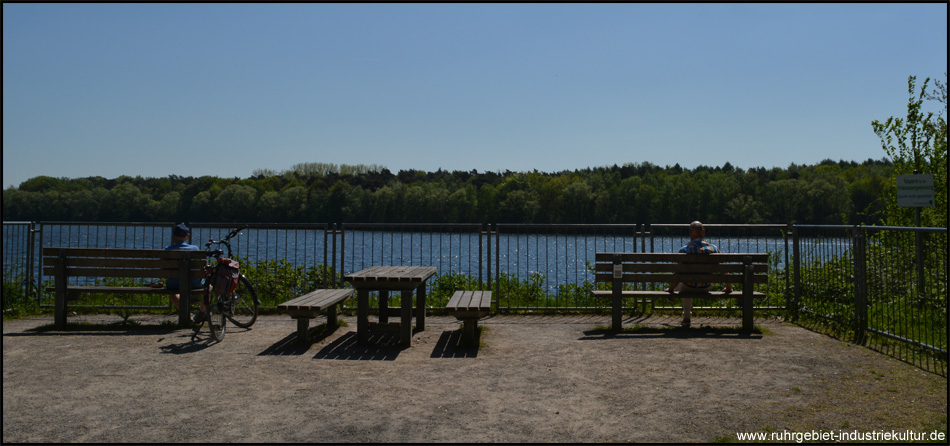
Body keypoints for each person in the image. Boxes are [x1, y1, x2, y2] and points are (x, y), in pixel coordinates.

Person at [665, 221, 732, 327]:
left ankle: (686, 317)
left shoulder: (684, 250)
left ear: (691, 233)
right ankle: (675, 298)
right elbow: (725, 269)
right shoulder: (714, 249)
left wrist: (671, 289)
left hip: (688, 286)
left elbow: (677, 273)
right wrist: (728, 288)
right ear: (703, 232)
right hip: (706, 286)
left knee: (685, 283)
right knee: (686, 281)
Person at [164, 223, 207, 323]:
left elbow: (163, 268)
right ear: (187, 237)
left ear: (173, 236)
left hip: (173, 284)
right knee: (209, 288)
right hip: (194, 284)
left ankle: (187, 314)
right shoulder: (195, 249)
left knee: (172, 293)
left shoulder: (167, 250)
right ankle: (202, 312)